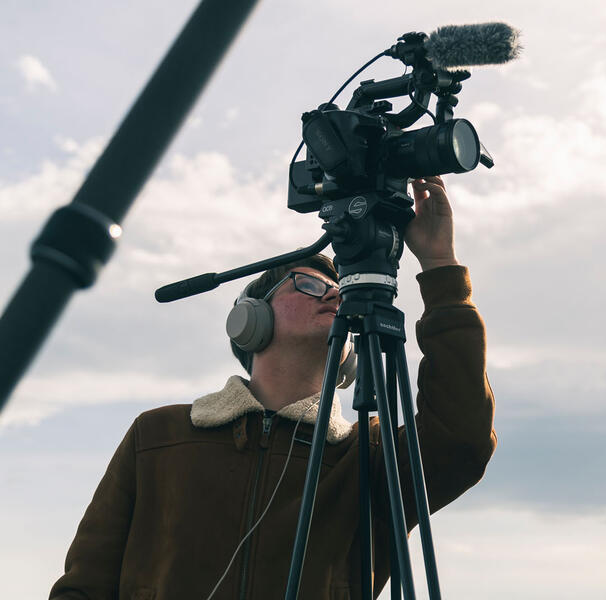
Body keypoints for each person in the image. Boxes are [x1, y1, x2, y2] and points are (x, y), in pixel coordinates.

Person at [49, 175, 497, 599]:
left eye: (339, 290)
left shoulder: (369, 457)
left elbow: (463, 438)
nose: (333, 295)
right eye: (308, 284)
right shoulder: (159, 435)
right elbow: (85, 584)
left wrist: (440, 265)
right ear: (251, 320)